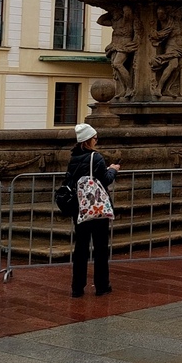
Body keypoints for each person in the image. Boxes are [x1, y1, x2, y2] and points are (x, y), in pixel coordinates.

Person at [63, 123, 120, 297]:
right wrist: (113, 170)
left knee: (80, 247)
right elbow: (105, 180)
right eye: (95, 138)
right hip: (96, 208)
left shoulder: (74, 158)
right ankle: (102, 285)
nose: (97, 140)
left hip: (80, 208)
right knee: (100, 247)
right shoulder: (96, 158)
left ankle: (77, 287)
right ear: (89, 140)